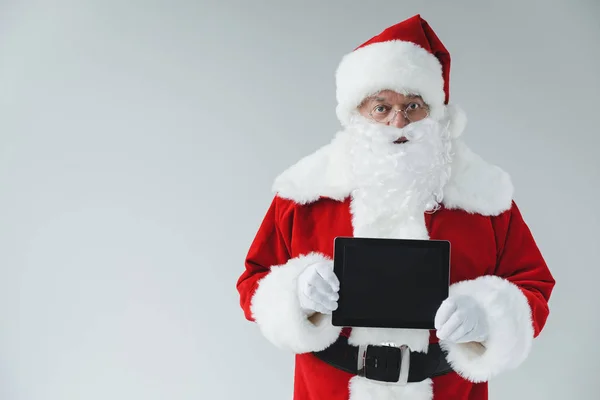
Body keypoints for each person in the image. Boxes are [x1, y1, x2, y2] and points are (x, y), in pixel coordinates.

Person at [236, 14, 555, 400]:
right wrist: (297, 293)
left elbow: (533, 285)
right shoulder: (306, 192)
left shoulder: (482, 196)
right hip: (332, 389)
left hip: (447, 391)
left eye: (414, 105)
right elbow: (254, 280)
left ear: (436, 113)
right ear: (358, 112)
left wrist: (487, 316)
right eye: (381, 107)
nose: (398, 122)